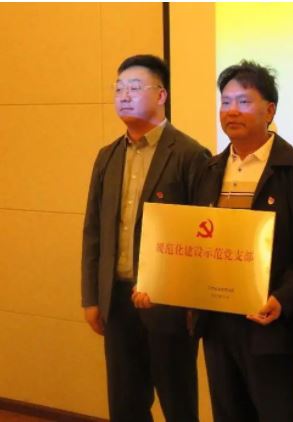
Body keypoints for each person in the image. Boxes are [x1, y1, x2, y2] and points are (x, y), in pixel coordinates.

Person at [178, 60, 293, 422]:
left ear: (269, 110)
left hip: (270, 324)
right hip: (217, 324)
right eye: (225, 102)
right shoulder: (209, 169)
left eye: (243, 102)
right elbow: (197, 240)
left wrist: (282, 298)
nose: (232, 111)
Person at [81, 54, 210, 422]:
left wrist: (188, 301)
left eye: (135, 88)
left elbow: (201, 235)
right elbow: (94, 231)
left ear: (161, 95)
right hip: (117, 301)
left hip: (167, 304)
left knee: (178, 404)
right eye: (118, 89)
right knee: (125, 405)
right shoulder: (107, 157)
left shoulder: (190, 154)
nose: (124, 96)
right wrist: (92, 296)